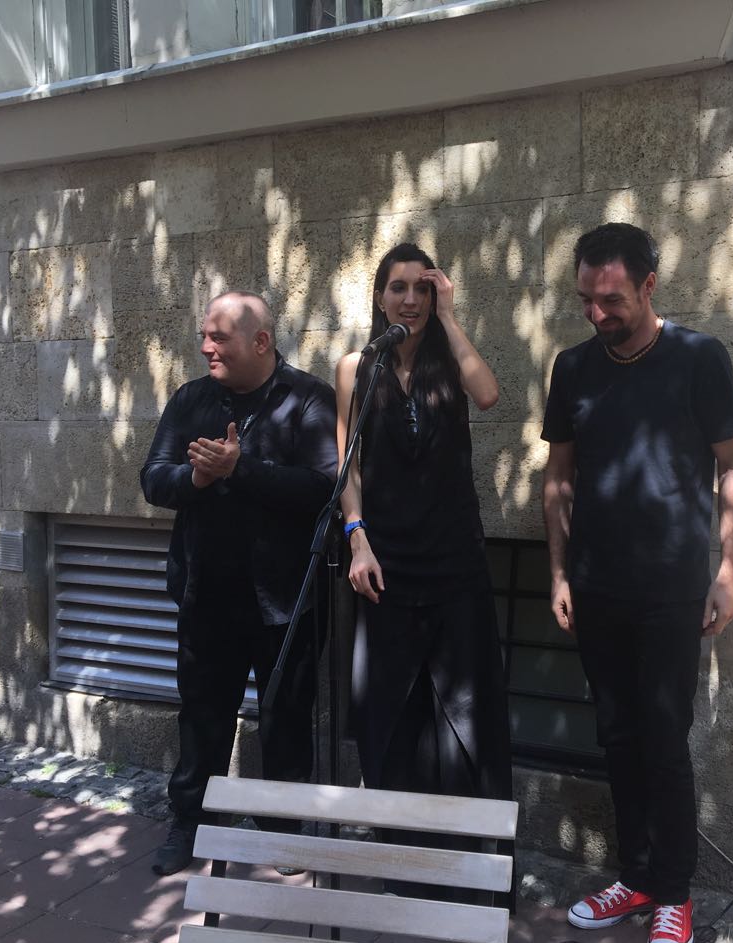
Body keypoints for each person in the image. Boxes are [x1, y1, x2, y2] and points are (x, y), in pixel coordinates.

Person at [542, 224, 733, 943]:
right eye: (585, 300)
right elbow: (559, 478)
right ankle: (633, 877)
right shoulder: (572, 368)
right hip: (596, 587)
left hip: (670, 589)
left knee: (663, 742)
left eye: (612, 300)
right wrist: (559, 572)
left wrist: (727, 573)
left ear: (649, 285)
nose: (596, 313)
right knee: (617, 736)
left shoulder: (699, 358)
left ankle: (674, 895)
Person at [140, 290, 337, 876]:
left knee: (286, 723)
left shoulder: (308, 400)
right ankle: (190, 822)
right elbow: (153, 479)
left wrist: (240, 469)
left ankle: (283, 832)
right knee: (202, 717)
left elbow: (323, 488)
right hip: (207, 595)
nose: (206, 347)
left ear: (261, 341)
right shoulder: (191, 399)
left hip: (286, 601)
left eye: (219, 338)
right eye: (204, 336)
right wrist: (196, 479)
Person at [336, 243, 513, 837]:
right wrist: (357, 539)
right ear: (379, 297)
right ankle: (399, 851)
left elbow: (488, 394)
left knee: (467, 713)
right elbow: (347, 468)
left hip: (454, 560)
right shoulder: (355, 368)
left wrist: (451, 318)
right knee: (391, 711)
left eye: (422, 288)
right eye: (398, 287)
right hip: (386, 565)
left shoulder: (450, 361)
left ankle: (473, 856)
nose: (410, 299)